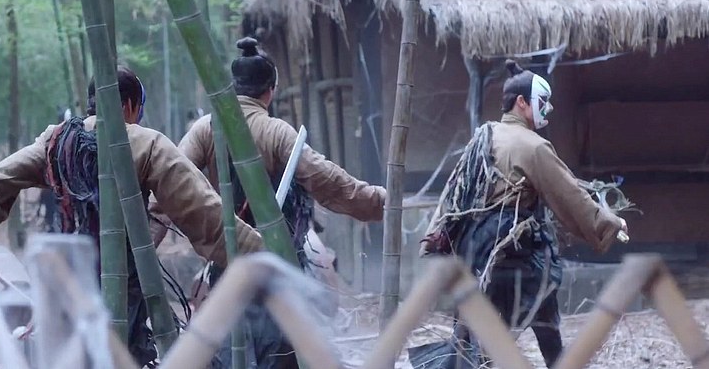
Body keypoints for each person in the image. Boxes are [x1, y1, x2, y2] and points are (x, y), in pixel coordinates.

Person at [0, 65, 264, 367]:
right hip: (123, 282)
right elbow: (202, 210)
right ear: (128, 106)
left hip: (70, 277)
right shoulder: (144, 142)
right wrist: (260, 252)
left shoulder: (58, 140)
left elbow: (1, 178)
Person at [179, 37, 386, 369]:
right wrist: (374, 201)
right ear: (270, 91)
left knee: (228, 349)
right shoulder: (277, 132)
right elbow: (327, 181)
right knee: (278, 352)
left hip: (226, 260)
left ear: (233, 87)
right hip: (277, 262)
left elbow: (174, 178)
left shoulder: (206, 128)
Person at [413, 61, 628, 369]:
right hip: (512, 255)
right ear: (522, 102)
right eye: (543, 101)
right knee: (504, 333)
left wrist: (435, 237)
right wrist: (609, 222)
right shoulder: (533, 146)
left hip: (477, 253)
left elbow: (453, 193)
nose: (549, 108)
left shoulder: (484, 135)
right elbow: (569, 194)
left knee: (482, 328)